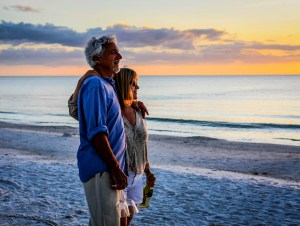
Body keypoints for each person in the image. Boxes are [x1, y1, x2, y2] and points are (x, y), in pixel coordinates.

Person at [77, 34, 127, 226]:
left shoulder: (107, 85)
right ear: (97, 58)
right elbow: (97, 133)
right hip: (102, 169)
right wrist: (115, 168)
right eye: (113, 52)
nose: (120, 56)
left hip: (110, 169)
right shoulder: (96, 85)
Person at [114, 68, 156, 226]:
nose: (137, 88)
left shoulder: (138, 111)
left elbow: (142, 144)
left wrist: (148, 171)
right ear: (124, 85)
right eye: (133, 84)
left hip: (138, 173)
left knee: (130, 216)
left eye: (137, 84)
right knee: (120, 221)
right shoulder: (114, 111)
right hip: (121, 174)